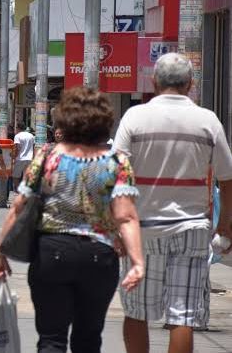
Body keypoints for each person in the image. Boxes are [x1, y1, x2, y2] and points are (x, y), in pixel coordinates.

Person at [0, 87, 145, 353]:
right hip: (100, 256)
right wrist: (137, 262)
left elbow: (19, 206)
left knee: (51, 339)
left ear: (64, 120)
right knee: (89, 338)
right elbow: (126, 216)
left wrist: (0, 250)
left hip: (52, 252)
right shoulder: (117, 162)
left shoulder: (48, 158)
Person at [114, 53, 232, 353]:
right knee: (183, 315)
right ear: (190, 84)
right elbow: (227, 178)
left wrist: (114, 226)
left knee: (136, 311)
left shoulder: (135, 117)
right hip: (192, 229)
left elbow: (116, 175)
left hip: (141, 229)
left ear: (154, 82)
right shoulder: (207, 120)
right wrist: (225, 226)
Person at [13, 121, 35, 191]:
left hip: (20, 158)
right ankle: (24, 191)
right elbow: (33, 147)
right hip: (30, 158)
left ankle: (19, 190)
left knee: (15, 176)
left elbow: (16, 148)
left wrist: (13, 157)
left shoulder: (17, 136)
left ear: (18, 128)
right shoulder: (31, 136)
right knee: (25, 176)